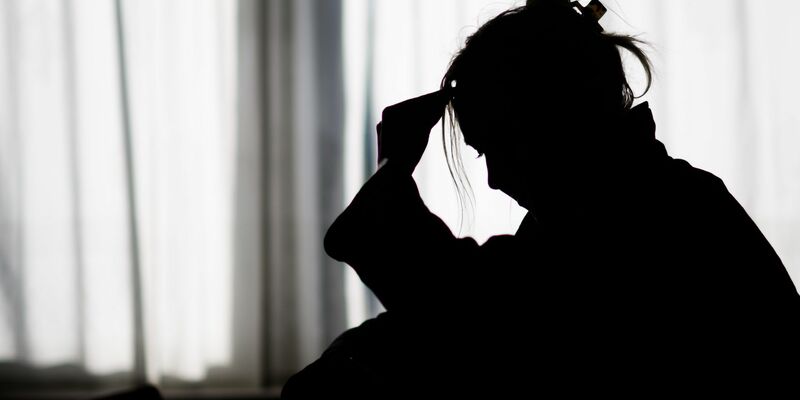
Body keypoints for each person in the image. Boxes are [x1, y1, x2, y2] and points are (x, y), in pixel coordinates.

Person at [283, 0, 800, 397]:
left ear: (550, 121)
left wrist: (395, 174)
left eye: (494, 147)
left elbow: (474, 315)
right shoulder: (650, 198)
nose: (494, 181)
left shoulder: (642, 219)